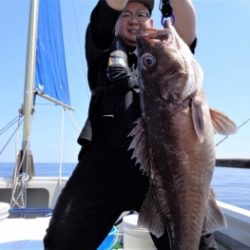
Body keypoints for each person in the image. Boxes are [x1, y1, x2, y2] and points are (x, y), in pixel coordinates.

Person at [43, 0, 218, 249]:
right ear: (116, 22)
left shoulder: (167, 54)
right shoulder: (101, 51)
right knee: (60, 241)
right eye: (126, 14)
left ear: (151, 22)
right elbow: (106, 12)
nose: (134, 19)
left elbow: (188, 25)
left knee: (194, 239)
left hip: (162, 170)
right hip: (101, 168)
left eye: (141, 14)